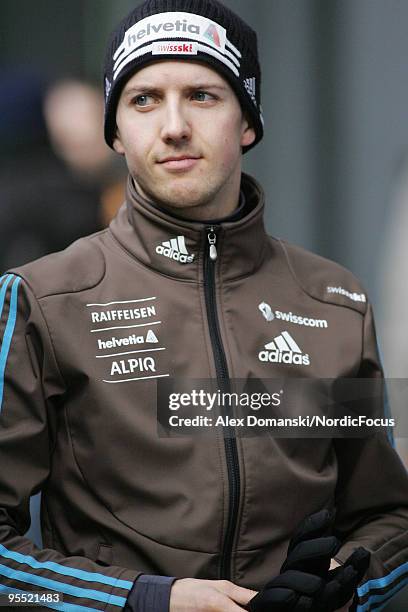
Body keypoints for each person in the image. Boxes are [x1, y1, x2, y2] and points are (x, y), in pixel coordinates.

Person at [0, 1, 408, 610]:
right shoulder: (45, 297)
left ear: (248, 121)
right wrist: (145, 600)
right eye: (143, 99)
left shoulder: (333, 300)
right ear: (115, 131)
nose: (173, 126)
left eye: (202, 95)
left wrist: (344, 585)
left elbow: (387, 517)